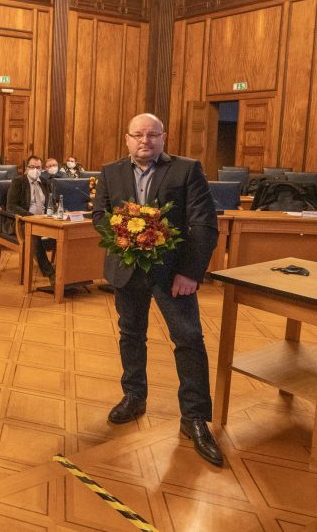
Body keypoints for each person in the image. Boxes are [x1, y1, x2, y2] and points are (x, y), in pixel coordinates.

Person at [92, 113, 222, 466]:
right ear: (127, 138)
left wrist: (191, 272)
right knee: (131, 335)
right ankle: (134, 397)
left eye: (152, 135)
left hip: (174, 275)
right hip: (127, 271)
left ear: (163, 137)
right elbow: (100, 215)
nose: (144, 141)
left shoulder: (186, 169)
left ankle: (194, 418)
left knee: (189, 339)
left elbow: (204, 224)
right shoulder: (110, 171)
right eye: (138, 135)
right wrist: (123, 234)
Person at [7, 155, 55, 278]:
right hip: (24, 221)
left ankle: (70, 271)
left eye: (38, 167)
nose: (35, 170)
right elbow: (11, 206)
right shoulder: (18, 182)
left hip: (45, 220)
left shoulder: (45, 182)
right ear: (27, 168)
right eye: (32, 167)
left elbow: (52, 203)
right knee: (33, 235)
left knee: (66, 234)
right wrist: (30, 217)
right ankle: (50, 273)